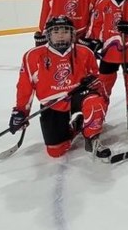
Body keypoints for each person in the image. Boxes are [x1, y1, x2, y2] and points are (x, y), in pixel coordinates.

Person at [9, 15, 110, 158]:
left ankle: (92, 137)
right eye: (56, 32)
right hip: (52, 103)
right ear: (48, 35)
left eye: (65, 31)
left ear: (72, 34)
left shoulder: (85, 52)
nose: (61, 36)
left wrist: (95, 84)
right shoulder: (33, 56)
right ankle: (77, 125)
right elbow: (25, 86)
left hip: (78, 96)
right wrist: (21, 112)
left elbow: (96, 79)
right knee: (55, 151)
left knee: (94, 102)